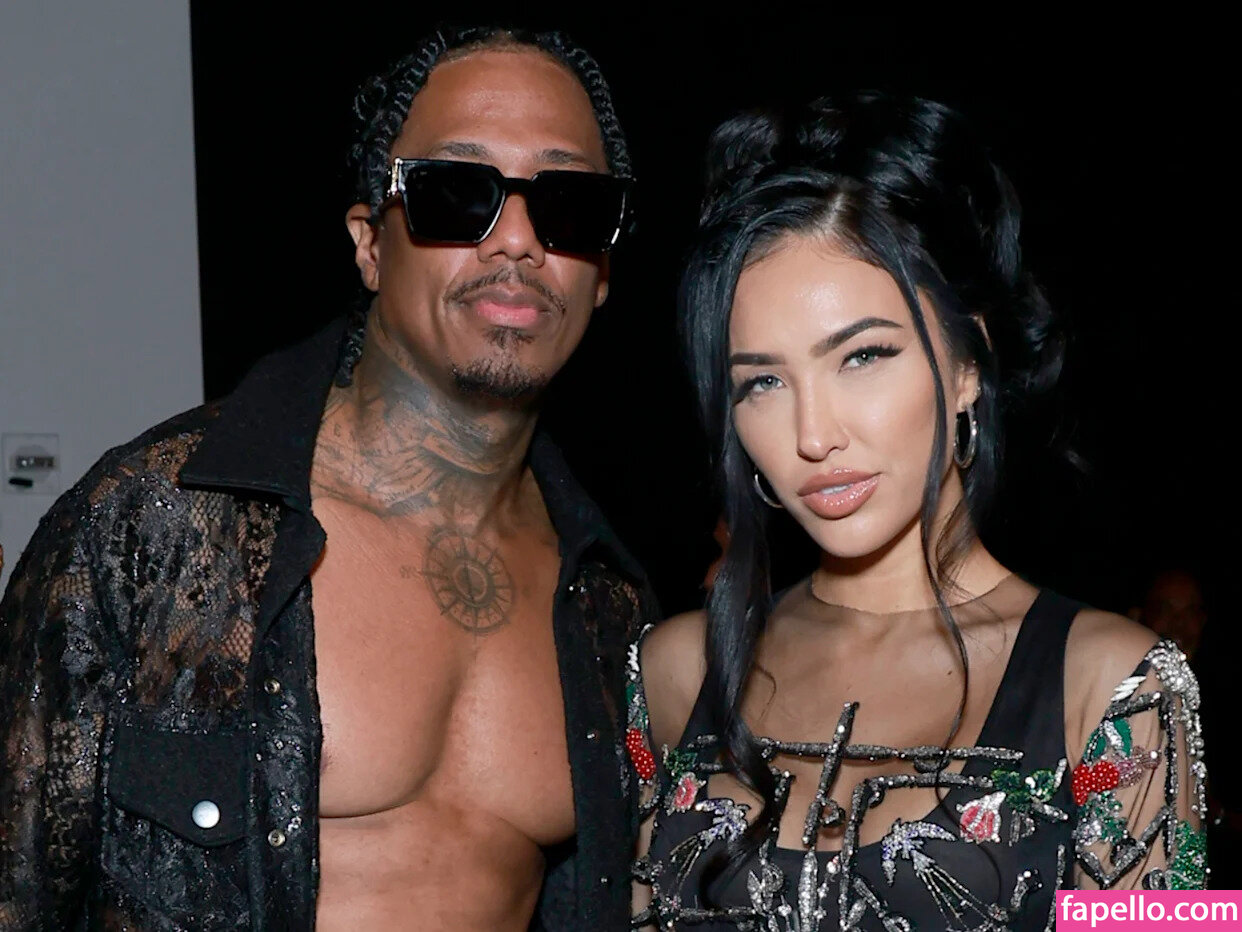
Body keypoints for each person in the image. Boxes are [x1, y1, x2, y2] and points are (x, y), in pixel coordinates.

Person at [0, 25, 652, 930]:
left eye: (568, 206)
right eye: (456, 192)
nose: (516, 241)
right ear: (370, 243)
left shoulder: (607, 602)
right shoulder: (149, 529)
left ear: (603, 271)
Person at [628, 94, 1208, 930]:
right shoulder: (672, 672)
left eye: (863, 356)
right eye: (763, 381)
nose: (813, 435)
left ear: (968, 363)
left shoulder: (1122, 687)